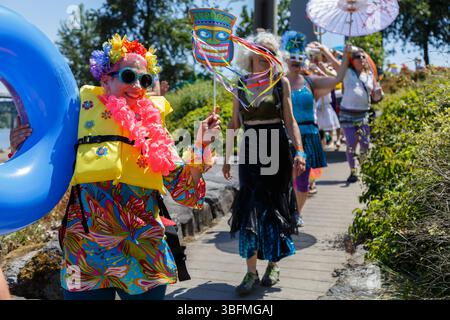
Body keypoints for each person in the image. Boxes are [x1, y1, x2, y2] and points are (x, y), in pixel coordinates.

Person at [10, 35, 220, 300]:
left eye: (145, 80)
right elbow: (41, 160)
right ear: (105, 79)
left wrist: (201, 145)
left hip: (143, 252)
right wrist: (21, 144)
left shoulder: (155, 128)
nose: (137, 86)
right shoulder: (78, 116)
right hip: (85, 253)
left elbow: (185, 191)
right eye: (129, 76)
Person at [222, 31, 306, 296]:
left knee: (274, 205)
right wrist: (225, 157)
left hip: (276, 145)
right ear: (251, 54)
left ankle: (272, 264)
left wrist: (300, 151)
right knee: (249, 206)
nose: (265, 56)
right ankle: (250, 272)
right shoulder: (241, 84)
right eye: (261, 51)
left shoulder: (280, 83)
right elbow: (234, 124)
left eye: (270, 51)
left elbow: (290, 120)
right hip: (250, 146)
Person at [284, 34, 349, 227]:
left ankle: (296, 213)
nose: (296, 62)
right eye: (292, 57)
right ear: (286, 59)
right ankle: (285, 212)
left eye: (299, 57)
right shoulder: (279, 83)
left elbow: (339, 76)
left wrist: (326, 52)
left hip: (309, 135)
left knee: (302, 182)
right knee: (284, 180)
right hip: (285, 136)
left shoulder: (311, 82)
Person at [316, 44, 374, 183]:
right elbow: (336, 64)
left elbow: (375, 91)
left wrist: (378, 94)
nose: (360, 59)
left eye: (362, 57)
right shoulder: (347, 73)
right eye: (357, 57)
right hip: (348, 113)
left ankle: (364, 169)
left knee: (365, 143)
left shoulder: (370, 75)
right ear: (352, 60)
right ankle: (353, 172)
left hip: (364, 114)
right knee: (351, 143)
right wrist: (325, 50)